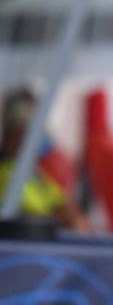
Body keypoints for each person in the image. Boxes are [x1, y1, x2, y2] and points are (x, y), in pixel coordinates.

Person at [0, 88, 90, 232]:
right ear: (11, 132)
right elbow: (29, 212)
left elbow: (61, 201)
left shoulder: (35, 172)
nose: (36, 136)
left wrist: (68, 214)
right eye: (27, 128)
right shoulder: (6, 172)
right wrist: (63, 217)